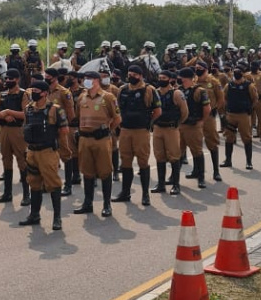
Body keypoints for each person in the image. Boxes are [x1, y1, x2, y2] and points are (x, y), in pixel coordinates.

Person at [19, 80, 71, 230]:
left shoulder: (55, 110)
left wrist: (63, 151)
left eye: (36, 90)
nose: (33, 93)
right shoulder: (28, 108)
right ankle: (34, 214)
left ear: (44, 93)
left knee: (53, 184)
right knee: (33, 183)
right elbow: (26, 127)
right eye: (32, 90)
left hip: (48, 151)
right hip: (32, 152)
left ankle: (57, 218)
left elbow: (64, 131)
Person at [112, 65, 162, 206]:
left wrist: (149, 123)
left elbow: (158, 111)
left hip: (141, 131)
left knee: (142, 162)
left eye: (134, 74)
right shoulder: (122, 90)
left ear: (140, 76)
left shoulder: (149, 90)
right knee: (126, 161)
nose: (131, 76)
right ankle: (125, 192)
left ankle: (145, 195)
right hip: (125, 130)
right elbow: (118, 109)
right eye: (129, 74)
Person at [74, 71, 120, 216]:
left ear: (96, 81)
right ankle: (88, 203)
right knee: (87, 172)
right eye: (84, 79)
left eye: (88, 79)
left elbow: (117, 118)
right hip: (84, 139)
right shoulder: (82, 97)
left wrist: (107, 130)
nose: (85, 81)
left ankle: (107, 204)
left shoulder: (108, 97)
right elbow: (77, 116)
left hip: (101, 139)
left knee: (105, 171)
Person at [0, 69, 31, 205]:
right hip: (4, 131)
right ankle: (7, 193)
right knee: (6, 160)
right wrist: (2, 115)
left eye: (10, 79)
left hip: (17, 131)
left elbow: (26, 114)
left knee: (22, 161)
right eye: (6, 78)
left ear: (17, 80)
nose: (7, 81)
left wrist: (9, 112)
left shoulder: (23, 94)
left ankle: (27, 194)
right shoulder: (2, 95)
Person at [151, 71, 188, 195]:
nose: (161, 79)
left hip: (171, 129)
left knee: (174, 156)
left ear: (169, 79)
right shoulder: (155, 93)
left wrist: (176, 123)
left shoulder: (176, 93)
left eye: (164, 78)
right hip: (157, 128)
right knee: (159, 156)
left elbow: (184, 112)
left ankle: (175, 184)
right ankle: (161, 184)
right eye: (160, 77)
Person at [44, 67, 76, 195]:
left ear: (54, 78)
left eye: (48, 77)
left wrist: (65, 126)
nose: (45, 78)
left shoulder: (64, 92)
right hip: (47, 129)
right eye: (45, 76)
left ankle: (68, 185)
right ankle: (49, 183)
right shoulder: (44, 91)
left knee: (66, 156)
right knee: (48, 157)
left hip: (60, 128)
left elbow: (70, 112)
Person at [220, 65, 258, 170]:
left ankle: (249, 162)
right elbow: (224, 98)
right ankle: (228, 160)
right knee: (229, 137)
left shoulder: (249, 86)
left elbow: (255, 99)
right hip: (231, 114)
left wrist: (250, 108)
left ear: (242, 75)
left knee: (246, 137)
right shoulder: (229, 85)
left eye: (238, 73)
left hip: (243, 115)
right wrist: (226, 109)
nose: (236, 75)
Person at [179, 67, 210, 189]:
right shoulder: (179, 90)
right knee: (178, 152)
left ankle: (200, 177)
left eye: (182, 78)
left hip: (193, 125)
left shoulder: (200, 91)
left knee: (196, 151)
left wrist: (201, 121)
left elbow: (207, 109)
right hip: (181, 125)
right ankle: (175, 177)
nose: (181, 80)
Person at [194, 60, 224, 182]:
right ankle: (197, 170)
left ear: (206, 69)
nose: (197, 69)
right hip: (195, 117)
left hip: (209, 117)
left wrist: (215, 109)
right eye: (196, 67)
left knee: (212, 142)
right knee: (196, 144)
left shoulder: (214, 82)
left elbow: (221, 99)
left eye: (200, 67)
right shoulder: (194, 81)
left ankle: (216, 171)